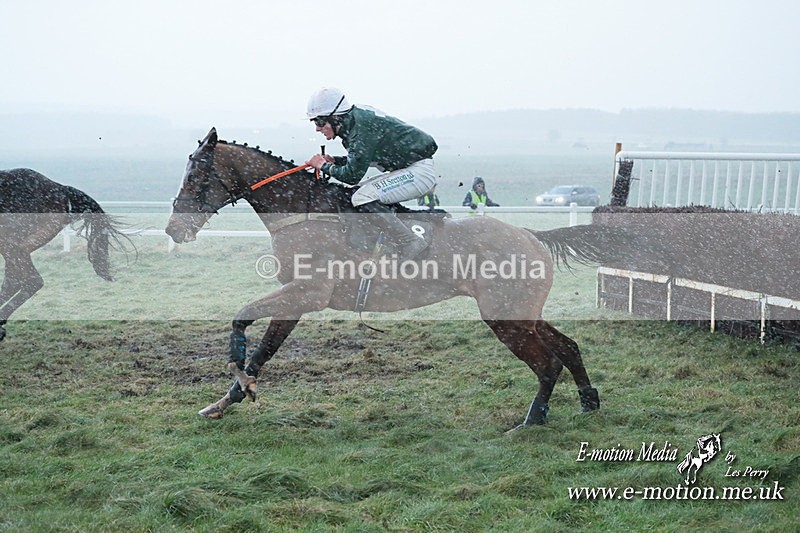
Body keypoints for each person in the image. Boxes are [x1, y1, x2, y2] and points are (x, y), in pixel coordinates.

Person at [305, 87, 438, 260]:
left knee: (361, 198)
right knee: (355, 194)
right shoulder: (355, 122)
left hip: (418, 172)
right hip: (409, 168)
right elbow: (361, 159)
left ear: (335, 118)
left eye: (319, 122)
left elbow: (352, 176)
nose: (317, 129)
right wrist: (335, 161)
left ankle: (409, 241)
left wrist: (323, 166)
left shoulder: (361, 128)